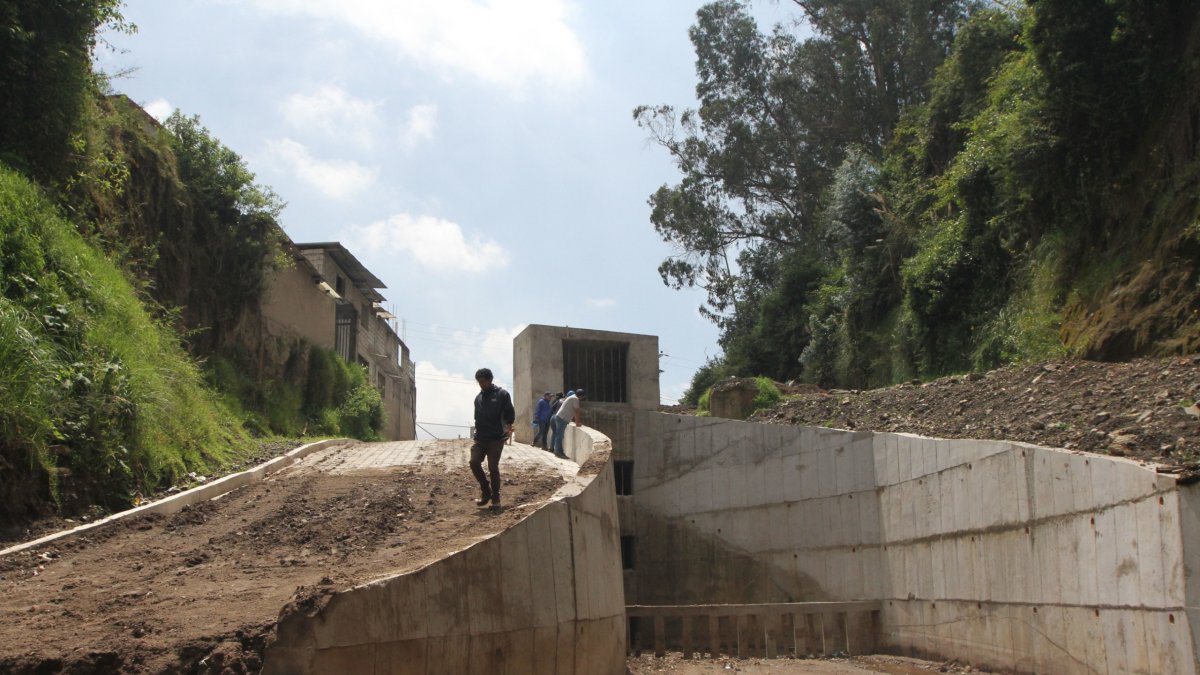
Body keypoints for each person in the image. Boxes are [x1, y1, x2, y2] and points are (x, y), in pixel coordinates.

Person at [470, 367, 514, 509]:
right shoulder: (478, 398)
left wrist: (508, 427)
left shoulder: (502, 394)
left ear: (490, 380)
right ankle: (486, 491)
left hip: (496, 438)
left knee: (492, 467)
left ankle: (496, 500)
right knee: (474, 462)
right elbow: (477, 417)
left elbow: (509, 413)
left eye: (483, 381)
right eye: (479, 382)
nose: (481, 384)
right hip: (481, 438)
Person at [551, 388, 585, 459]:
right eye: (583, 396)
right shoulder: (575, 399)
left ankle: (558, 451)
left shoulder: (571, 397)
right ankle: (558, 452)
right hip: (562, 418)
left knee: (559, 435)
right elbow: (577, 412)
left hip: (560, 417)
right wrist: (577, 423)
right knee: (559, 435)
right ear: (581, 396)